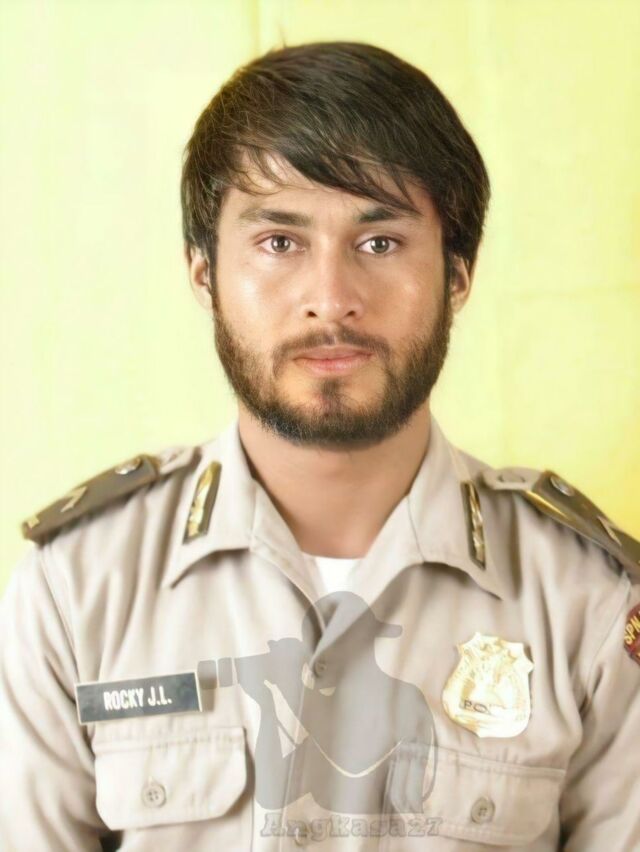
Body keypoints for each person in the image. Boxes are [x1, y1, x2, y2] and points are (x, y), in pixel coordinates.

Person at [1, 39, 639, 852]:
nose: (331, 299)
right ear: (203, 273)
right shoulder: (77, 588)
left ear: (458, 274)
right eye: (279, 241)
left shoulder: (587, 599)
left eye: (380, 243)